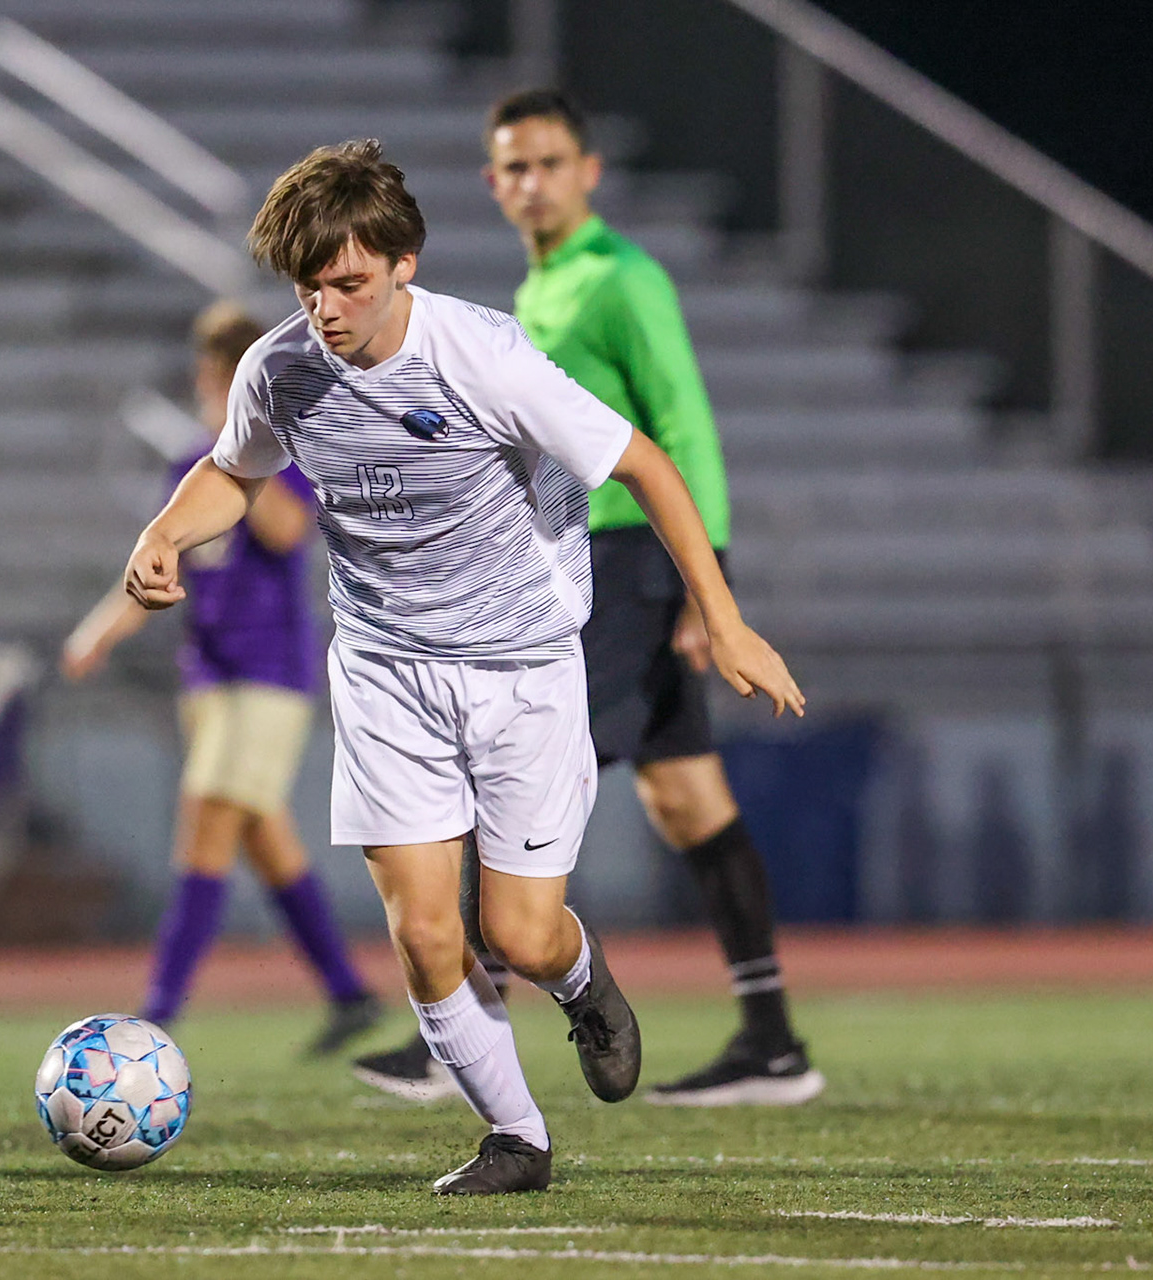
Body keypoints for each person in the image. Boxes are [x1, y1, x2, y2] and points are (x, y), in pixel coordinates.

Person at [124, 139, 804, 1194]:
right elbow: (231, 470)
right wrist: (167, 532)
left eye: (349, 281)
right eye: (310, 286)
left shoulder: (483, 357)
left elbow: (644, 464)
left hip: (523, 667)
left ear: (404, 263)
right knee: (424, 927)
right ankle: (516, 1137)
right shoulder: (281, 369)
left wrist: (725, 618)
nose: (327, 308)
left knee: (518, 931)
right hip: (388, 672)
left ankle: (582, 982)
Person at [354, 90, 825, 1108]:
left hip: (627, 567)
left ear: (588, 171)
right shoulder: (542, 291)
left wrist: (715, 595)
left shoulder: (619, 279)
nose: (533, 182)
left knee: (501, 778)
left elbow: (681, 431)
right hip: (609, 564)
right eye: (514, 167)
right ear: (494, 183)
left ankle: (457, 1024)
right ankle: (774, 1037)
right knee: (688, 796)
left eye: (550, 162)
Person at [62, 299, 381, 1058]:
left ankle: (158, 1012)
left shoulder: (280, 458)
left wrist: (254, 437)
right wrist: (99, 632)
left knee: (206, 819)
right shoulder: (191, 468)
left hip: (267, 677)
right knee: (265, 839)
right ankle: (347, 991)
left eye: (227, 380)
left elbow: (287, 530)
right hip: (207, 679)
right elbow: (158, 562)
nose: (211, 391)